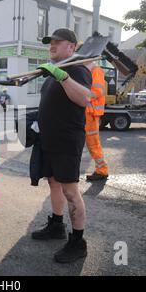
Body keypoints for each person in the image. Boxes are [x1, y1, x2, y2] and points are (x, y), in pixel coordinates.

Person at [31, 28, 92, 263]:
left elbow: (85, 98)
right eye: (50, 43)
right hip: (48, 139)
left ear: (72, 47)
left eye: (58, 42)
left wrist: (62, 76)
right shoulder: (51, 73)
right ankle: (56, 225)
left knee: (70, 190)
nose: (52, 46)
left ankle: (78, 242)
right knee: (53, 183)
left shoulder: (77, 70)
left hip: (67, 140)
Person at [84, 61, 109, 181]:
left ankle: (102, 170)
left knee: (92, 143)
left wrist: (80, 94)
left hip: (90, 112)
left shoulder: (95, 69)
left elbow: (97, 91)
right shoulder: (86, 69)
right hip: (87, 112)